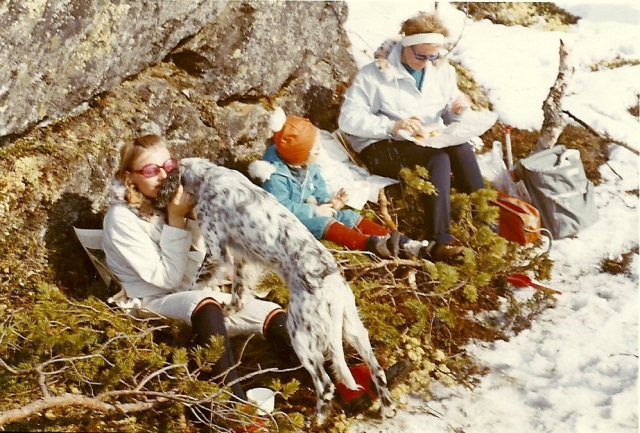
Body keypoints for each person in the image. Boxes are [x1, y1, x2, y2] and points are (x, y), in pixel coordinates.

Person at [102, 134, 411, 416]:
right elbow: (166, 280)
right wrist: (176, 219)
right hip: (151, 299)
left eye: (168, 165)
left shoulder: (175, 199)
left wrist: (192, 219)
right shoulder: (121, 218)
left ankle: (349, 381)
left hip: (191, 288)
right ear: (129, 177)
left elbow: (203, 257)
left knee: (271, 314)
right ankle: (233, 408)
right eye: (149, 170)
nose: (163, 175)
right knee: (205, 305)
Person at [338, 12, 485, 264]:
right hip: (381, 146)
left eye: (432, 56)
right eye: (420, 56)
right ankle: (440, 240)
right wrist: (392, 126)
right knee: (437, 159)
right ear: (406, 45)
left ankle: (486, 219)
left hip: (424, 139)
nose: (426, 62)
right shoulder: (375, 75)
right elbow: (348, 118)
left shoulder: (440, 69)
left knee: (460, 147)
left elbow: (447, 110)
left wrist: (457, 110)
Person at [249, 108, 432, 260]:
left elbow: (318, 186)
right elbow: (281, 207)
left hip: (311, 211)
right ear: (299, 155)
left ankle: (403, 243)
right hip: (289, 223)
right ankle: (371, 244)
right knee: (323, 222)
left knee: (347, 216)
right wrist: (315, 211)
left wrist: (330, 203)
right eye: (316, 150)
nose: (320, 152)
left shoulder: (308, 165)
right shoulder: (275, 175)